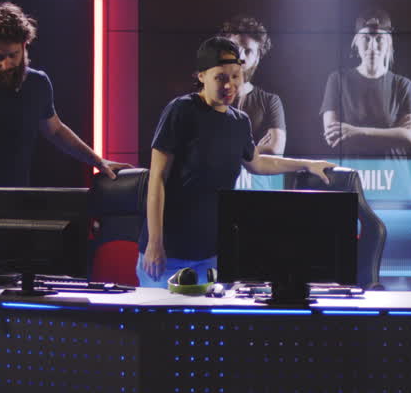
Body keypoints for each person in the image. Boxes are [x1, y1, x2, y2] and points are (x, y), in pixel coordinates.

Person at [0, 2, 130, 265]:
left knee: (10, 289)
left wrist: (98, 161)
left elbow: (55, 130)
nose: (7, 64)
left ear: (25, 46)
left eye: (13, 55)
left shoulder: (37, 84)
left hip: (12, 219)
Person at [138, 37, 335, 288]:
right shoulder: (181, 110)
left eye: (235, 76)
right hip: (169, 254)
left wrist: (307, 164)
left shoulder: (239, 121)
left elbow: (258, 163)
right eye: (220, 77)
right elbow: (157, 179)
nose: (229, 85)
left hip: (212, 254)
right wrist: (155, 243)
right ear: (201, 76)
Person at [320, 8, 411, 156]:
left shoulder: (403, 85)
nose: (372, 47)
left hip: (392, 171)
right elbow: (332, 136)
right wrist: (393, 134)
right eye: (366, 39)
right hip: (351, 170)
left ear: (389, 43)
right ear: (356, 42)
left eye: (379, 39)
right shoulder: (338, 80)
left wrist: (355, 132)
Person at [217, 15, 286, 188]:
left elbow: (275, 149)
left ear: (257, 57)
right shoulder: (209, 98)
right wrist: (252, 150)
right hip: (215, 192)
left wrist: (224, 149)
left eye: (248, 51)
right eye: (234, 48)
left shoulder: (270, 101)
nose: (240, 57)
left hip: (257, 191)